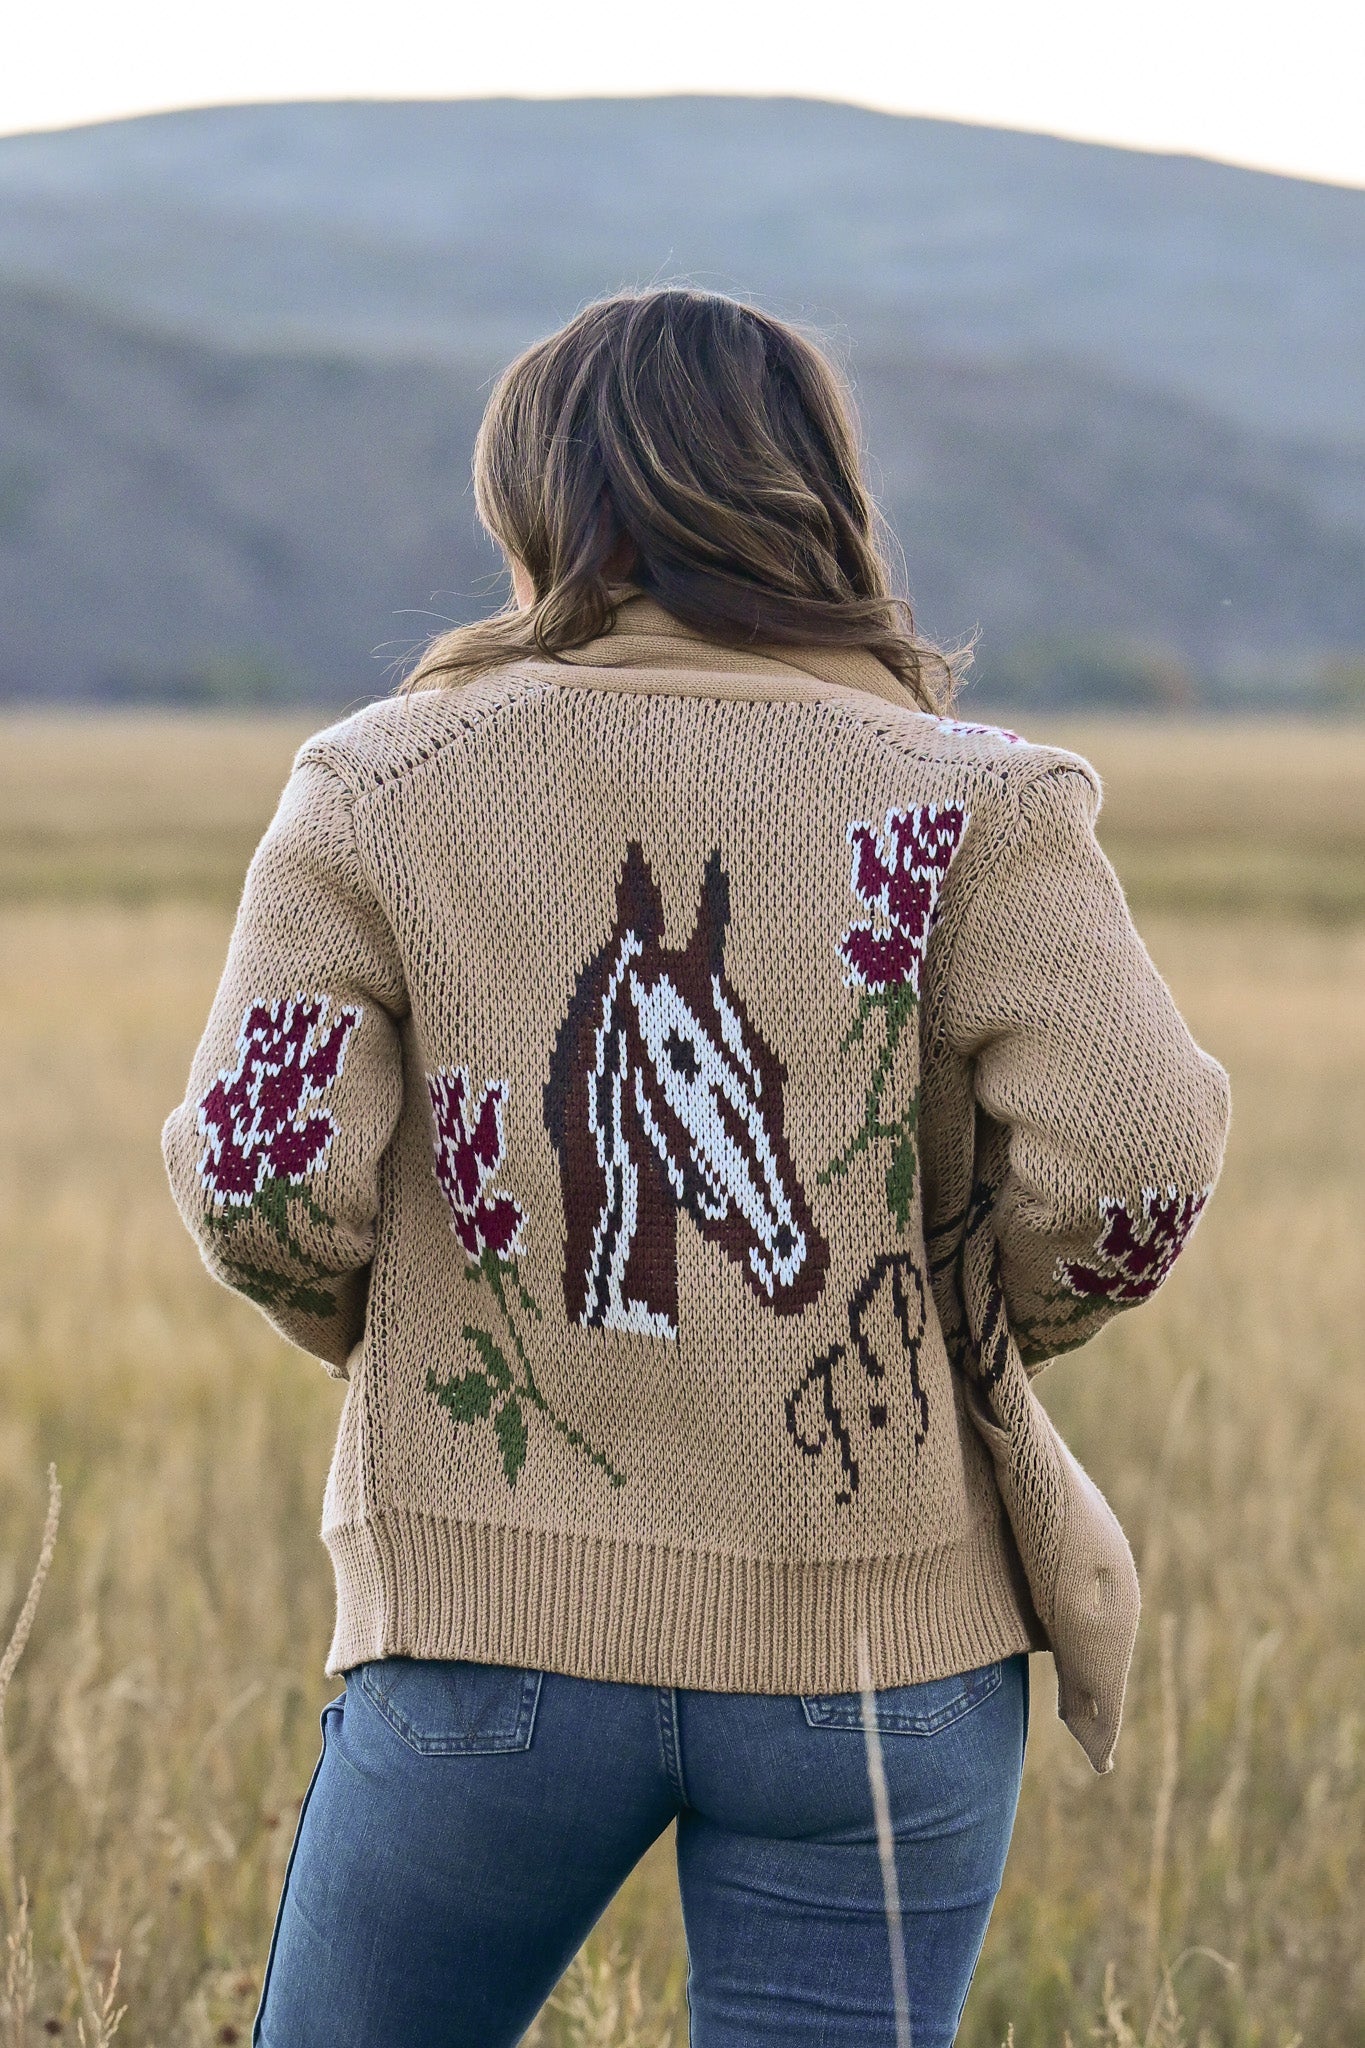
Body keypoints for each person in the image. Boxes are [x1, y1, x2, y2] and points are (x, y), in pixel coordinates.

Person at [163, 287, 1231, 2047]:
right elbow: (1129, 1161)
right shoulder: (983, 794)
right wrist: (952, 1327)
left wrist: (418, 1327)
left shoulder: (380, 782)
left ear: (533, 506)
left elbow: (264, 1174)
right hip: (881, 1654)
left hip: (488, 1621)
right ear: (815, 493)